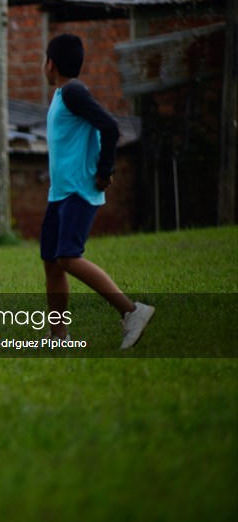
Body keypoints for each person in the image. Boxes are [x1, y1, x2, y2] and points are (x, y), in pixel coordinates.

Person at [41, 33, 154, 348]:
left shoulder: (74, 91)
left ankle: (131, 311)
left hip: (78, 191)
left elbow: (110, 126)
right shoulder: (63, 94)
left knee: (67, 258)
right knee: (52, 262)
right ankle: (58, 336)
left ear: (50, 64)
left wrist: (105, 171)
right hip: (60, 193)